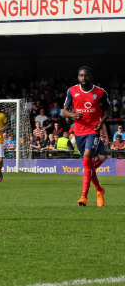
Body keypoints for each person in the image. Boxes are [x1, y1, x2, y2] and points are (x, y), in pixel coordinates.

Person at [62, 66, 110, 207]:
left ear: (91, 76)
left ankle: (84, 197)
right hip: (79, 132)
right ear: (78, 78)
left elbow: (108, 111)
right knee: (88, 165)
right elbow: (64, 111)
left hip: (93, 130)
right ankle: (99, 190)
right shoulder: (72, 91)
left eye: (86, 75)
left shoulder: (100, 92)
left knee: (88, 160)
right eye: (82, 76)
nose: (84, 78)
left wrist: (101, 121)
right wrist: (73, 115)